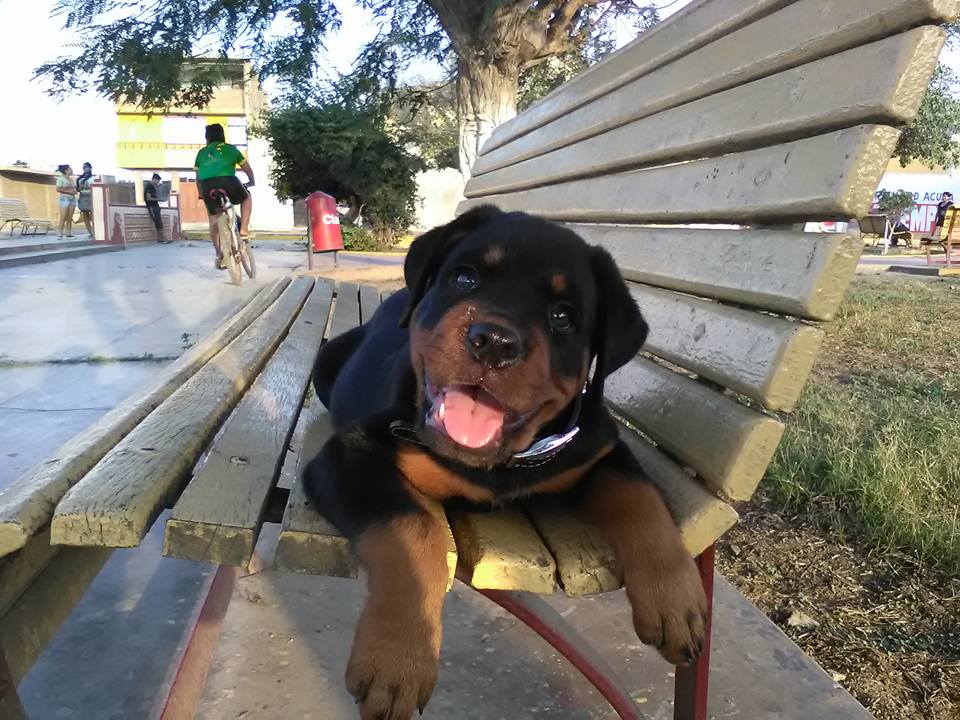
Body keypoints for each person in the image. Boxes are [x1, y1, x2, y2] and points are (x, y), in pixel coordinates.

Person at [193, 123, 255, 269]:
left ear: (207, 138)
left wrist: (201, 193)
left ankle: (219, 253)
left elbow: (197, 177)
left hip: (207, 185)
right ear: (223, 136)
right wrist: (252, 181)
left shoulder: (201, 153)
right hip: (228, 181)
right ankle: (244, 229)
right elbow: (247, 168)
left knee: (213, 219)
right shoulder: (230, 149)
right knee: (246, 198)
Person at [54, 164, 77, 238]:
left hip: (72, 198)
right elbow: (58, 189)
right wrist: (69, 191)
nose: (72, 170)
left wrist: (74, 191)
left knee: (70, 217)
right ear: (66, 170)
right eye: (70, 169)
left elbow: (73, 188)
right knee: (63, 216)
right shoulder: (60, 179)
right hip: (64, 199)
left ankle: (68, 233)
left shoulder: (71, 179)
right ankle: (60, 232)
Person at [144, 173, 167, 243]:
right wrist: (159, 199)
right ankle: (162, 239)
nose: (158, 182)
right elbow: (148, 198)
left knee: (159, 223)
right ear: (154, 179)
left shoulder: (153, 187)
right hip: (151, 206)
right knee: (157, 223)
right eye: (157, 181)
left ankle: (160, 239)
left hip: (156, 206)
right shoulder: (148, 186)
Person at [76, 162, 95, 237]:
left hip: (91, 197)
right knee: (85, 215)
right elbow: (77, 189)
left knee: (93, 215)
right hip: (83, 197)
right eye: (83, 167)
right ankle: (90, 233)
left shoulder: (93, 178)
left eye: (86, 167)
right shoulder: (80, 178)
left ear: (90, 168)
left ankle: (95, 231)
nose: (85, 168)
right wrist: (79, 188)